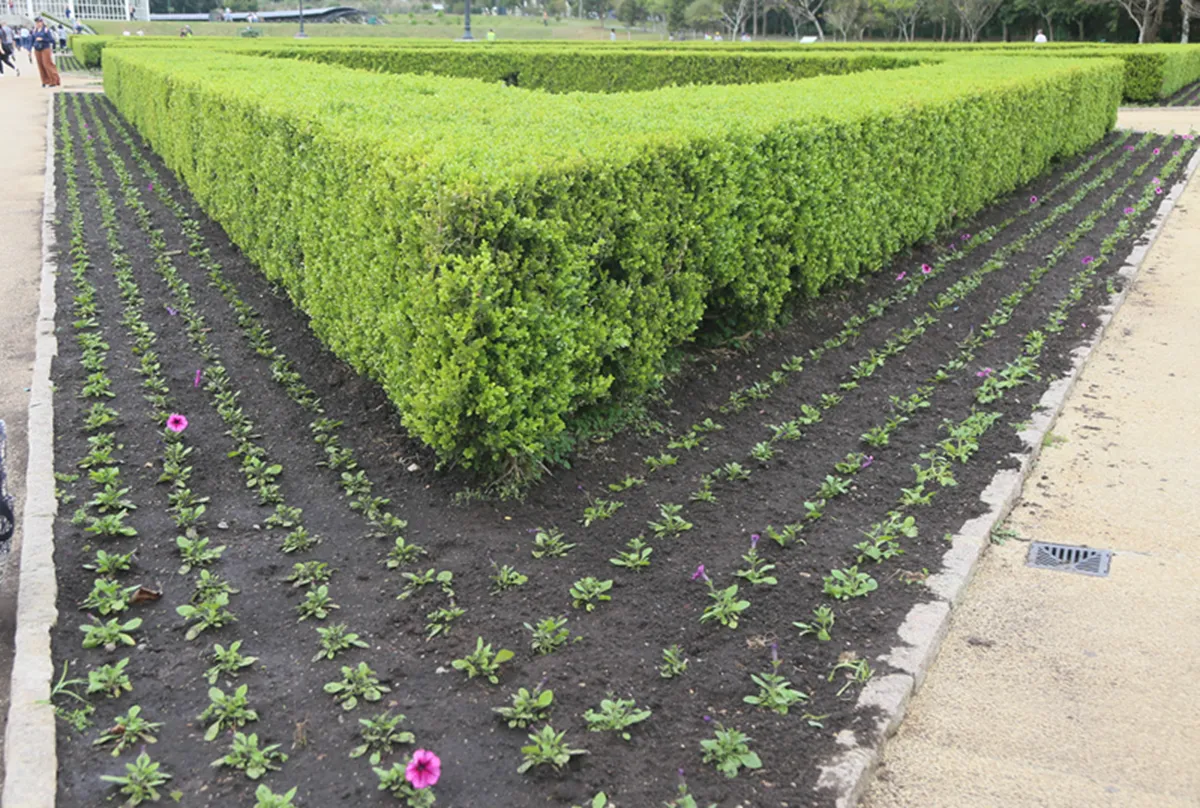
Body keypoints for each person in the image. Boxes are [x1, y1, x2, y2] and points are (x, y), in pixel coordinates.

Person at [31, 19, 60, 88]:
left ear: (42, 23)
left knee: (47, 64)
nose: (38, 24)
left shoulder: (46, 30)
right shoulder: (34, 30)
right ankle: (45, 81)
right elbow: (32, 39)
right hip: (37, 48)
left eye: (39, 22)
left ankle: (54, 80)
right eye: (37, 22)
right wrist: (29, 49)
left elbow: (51, 40)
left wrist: (43, 39)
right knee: (40, 65)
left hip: (45, 47)